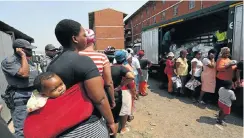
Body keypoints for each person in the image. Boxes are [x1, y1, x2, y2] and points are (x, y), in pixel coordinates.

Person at [47, 19, 116, 137]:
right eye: (84, 35)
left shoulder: (51, 65)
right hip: (88, 126)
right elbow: (99, 99)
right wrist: (111, 122)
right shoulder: (84, 62)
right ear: (75, 39)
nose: (86, 38)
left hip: (64, 127)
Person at [1, 39, 39, 138]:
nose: (31, 51)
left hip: (33, 94)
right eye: (28, 49)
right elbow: (24, 73)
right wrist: (23, 56)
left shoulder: (28, 61)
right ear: (20, 49)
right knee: (22, 129)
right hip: (20, 97)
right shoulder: (9, 61)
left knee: (35, 124)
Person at [79, 29, 115, 108]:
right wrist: (112, 100)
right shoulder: (102, 57)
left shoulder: (76, 55)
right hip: (98, 96)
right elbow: (109, 83)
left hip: (79, 98)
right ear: (94, 40)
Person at [114, 50, 135, 134]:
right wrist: (134, 93)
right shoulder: (127, 67)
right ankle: (122, 128)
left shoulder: (113, 66)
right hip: (125, 90)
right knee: (125, 110)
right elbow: (131, 82)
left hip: (115, 91)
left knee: (116, 109)